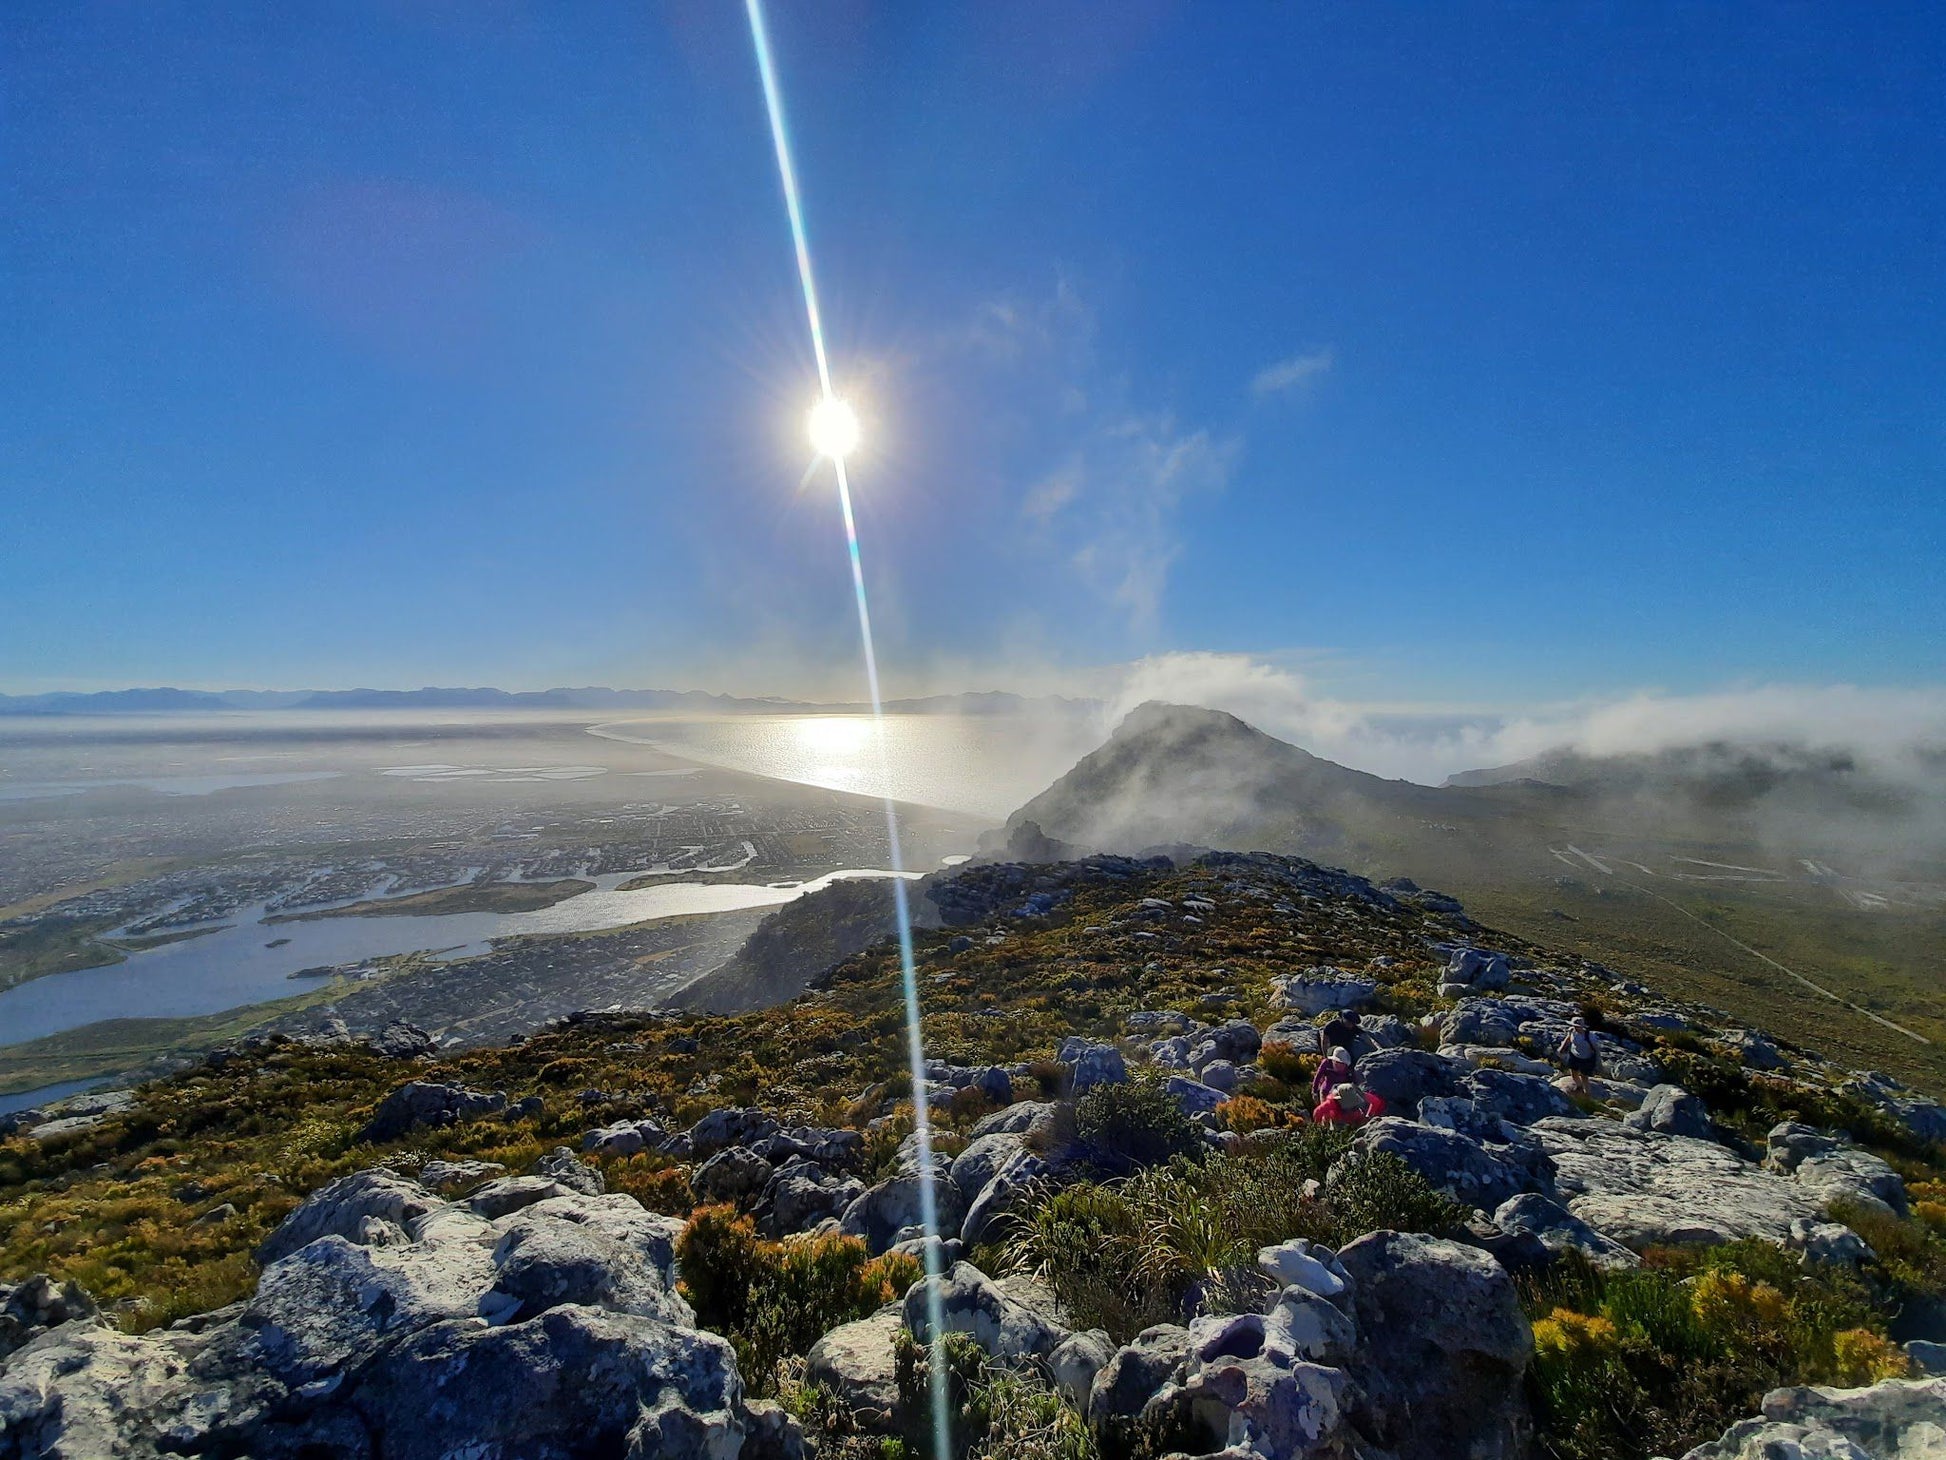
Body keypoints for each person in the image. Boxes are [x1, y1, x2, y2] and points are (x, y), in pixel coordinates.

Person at [1558, 1016, 1599, 1095]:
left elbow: (1596, 1049)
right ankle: (1579, 1086)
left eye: (1578, 1027)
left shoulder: (1590, 1036)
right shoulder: (1572, 1031)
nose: (1576, 1028)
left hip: (1586, 1059)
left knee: (1584, 1077)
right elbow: (1568, 1039)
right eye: (1575, 1026)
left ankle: (1587, 1094)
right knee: (1573, 1073)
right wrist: (1561, 1048)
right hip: (1574, 1055)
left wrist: (1598, 1062)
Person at [1314, 1082, 1385, 1126]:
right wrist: (1320, 1128)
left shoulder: (1359, 1094)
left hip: (1356, 1118)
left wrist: (1368, 1116)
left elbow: (1376, 1101)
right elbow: (1317, 1112)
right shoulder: (1332, 1102)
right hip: (1338, 1121)